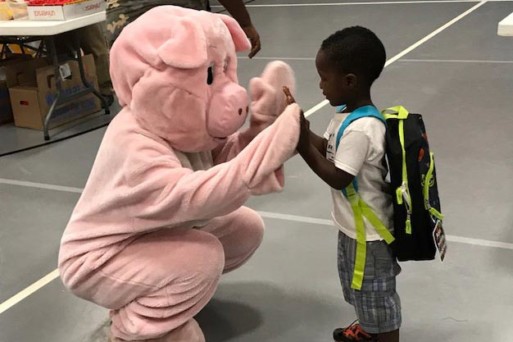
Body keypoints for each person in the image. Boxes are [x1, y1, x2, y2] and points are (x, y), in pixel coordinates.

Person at [285, 26, 401, 342]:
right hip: (353, 228)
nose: (320, 85)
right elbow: (328, 149)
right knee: (360, 290)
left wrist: (299, 144)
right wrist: (299, 126)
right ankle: (365, 329)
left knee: (378, 299)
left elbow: (338, 177)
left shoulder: (362, 128)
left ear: (349, 81)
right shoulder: (345, 115)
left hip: (370, 236)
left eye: (324, 77)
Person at [105, 0, 261, 58]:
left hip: (124, 18)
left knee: (136, 98)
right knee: (192, 94)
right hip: (182, 16)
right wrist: (245, 23)